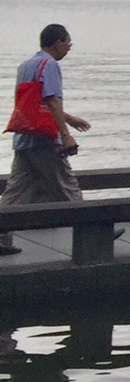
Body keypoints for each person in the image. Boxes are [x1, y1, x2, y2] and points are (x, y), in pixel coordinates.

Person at [1, 24, 93, 256]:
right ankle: (93, 230)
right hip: (44, 140)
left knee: (16, 193)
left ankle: (1, 238)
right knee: (66, 185)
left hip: (24, 138)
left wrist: (69, 118)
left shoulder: (26, 65)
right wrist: (65, 135)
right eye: (68, 44)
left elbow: (32, 103)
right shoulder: (50, 65)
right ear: (56, 43)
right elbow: (51, 101)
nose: (69, 49)